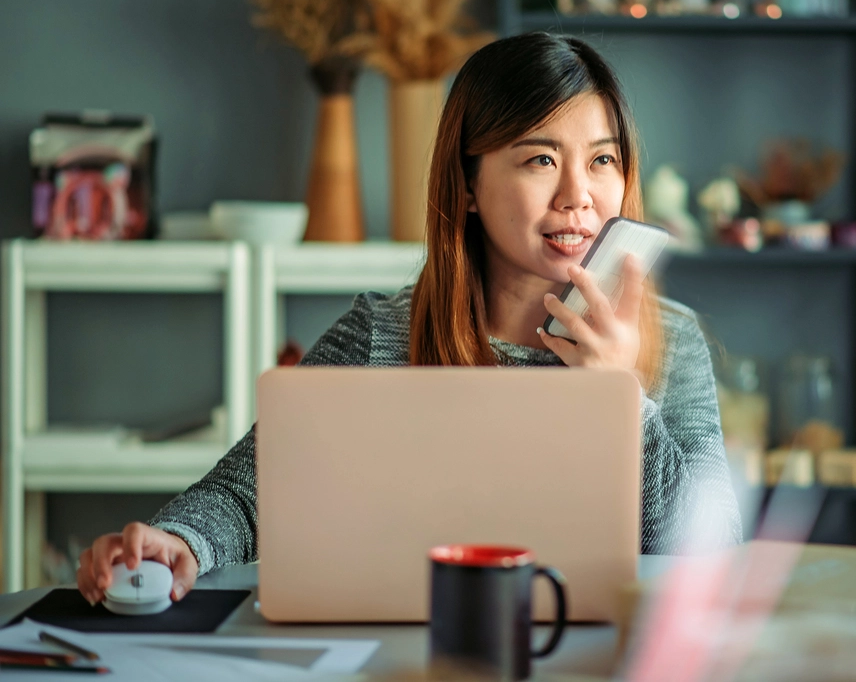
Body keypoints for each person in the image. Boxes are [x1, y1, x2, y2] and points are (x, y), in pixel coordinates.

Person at [76, 32, 742, 606]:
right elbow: (253, 491)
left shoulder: (672, 338)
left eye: (602, 160)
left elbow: (709, 549)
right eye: (541, 159)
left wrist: (621, 397)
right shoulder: (379, 333)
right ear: (470, 185)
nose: (579, 196)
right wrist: (177, 542)